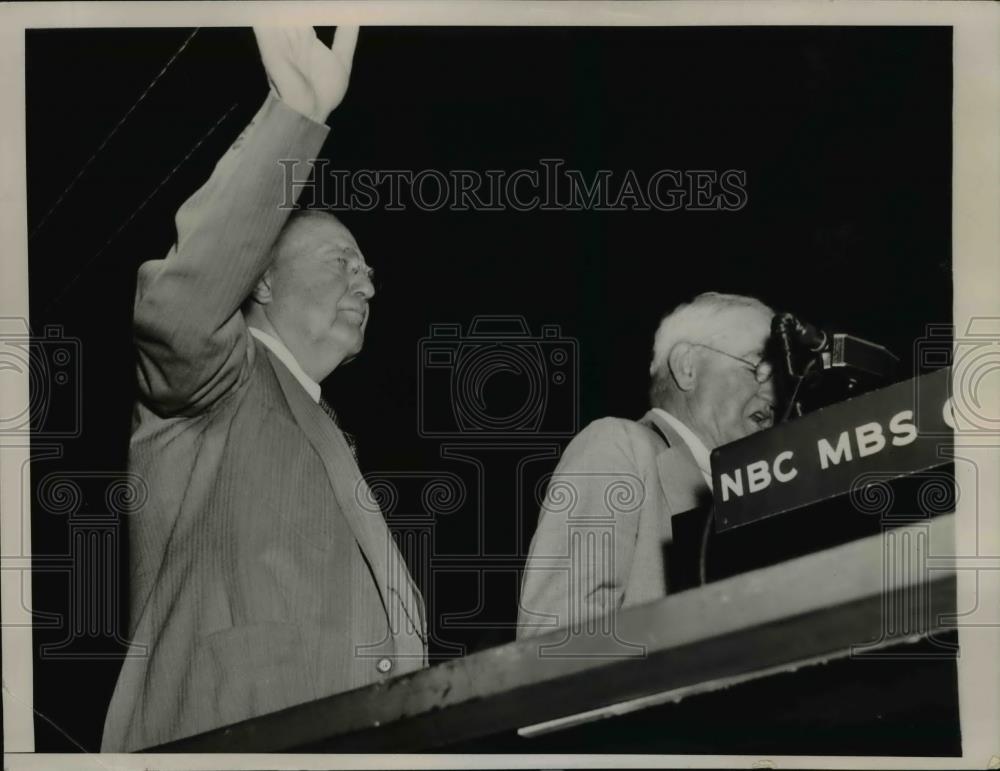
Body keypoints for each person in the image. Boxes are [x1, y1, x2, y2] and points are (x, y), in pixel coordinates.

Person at [101, 27, 427, 752]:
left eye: (369, 270)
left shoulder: (322, 428)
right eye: (343, 259)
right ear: (266, 279)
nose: (367, 281)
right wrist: (294, 115)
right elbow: (177, 308)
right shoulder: (219, 380)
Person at [517, 292, 775, 639]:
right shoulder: (619, 446)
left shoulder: (754, 494)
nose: (773, 394)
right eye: (755, 368)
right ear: (687, 367)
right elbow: (556, 642)